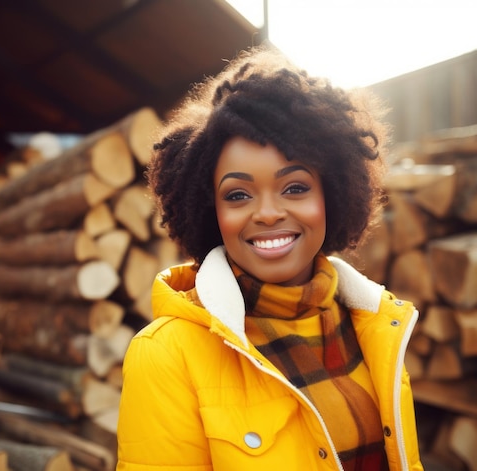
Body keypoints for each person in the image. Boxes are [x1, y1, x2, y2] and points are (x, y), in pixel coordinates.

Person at [116, 45, 423, 471]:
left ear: (331, 194)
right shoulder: (167, 354)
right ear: (211, 211)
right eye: (238, 194)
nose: (267, 213)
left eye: (294, 187)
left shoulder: (376, 326)